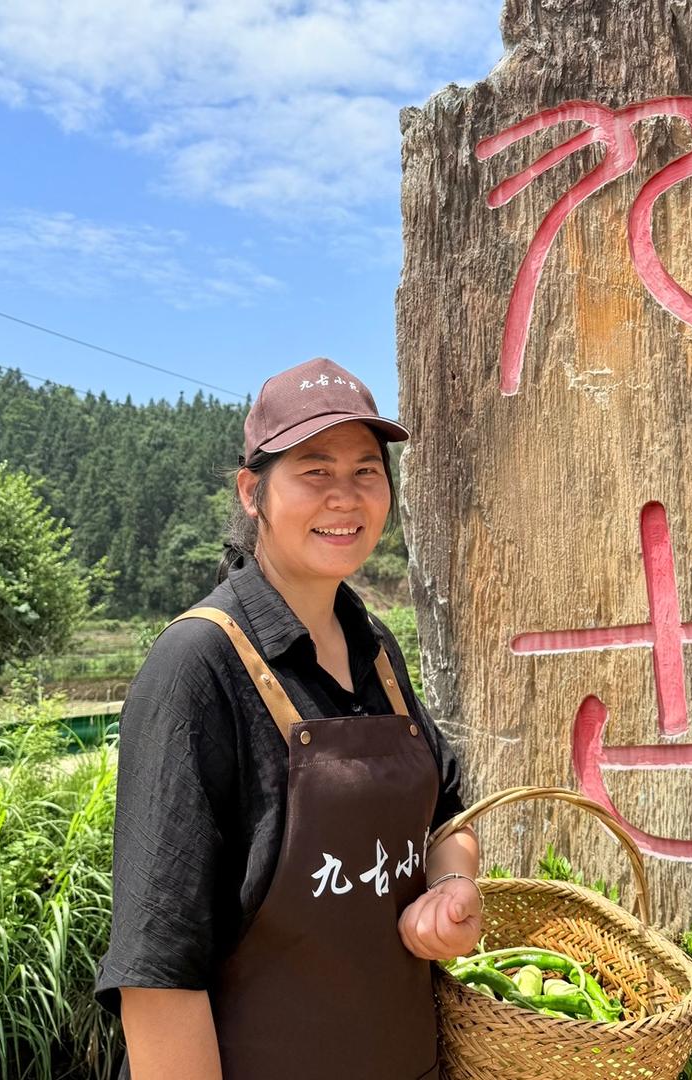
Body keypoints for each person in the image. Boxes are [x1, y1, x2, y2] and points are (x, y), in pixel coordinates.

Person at [94, 357, 481, 1080]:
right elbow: (157, 967)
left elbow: (449, 811)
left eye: (367, 471)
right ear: (252, 491)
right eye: (314, 471)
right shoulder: (198, 665)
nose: (346, 497)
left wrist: (452, 887)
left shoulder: (375, 646)